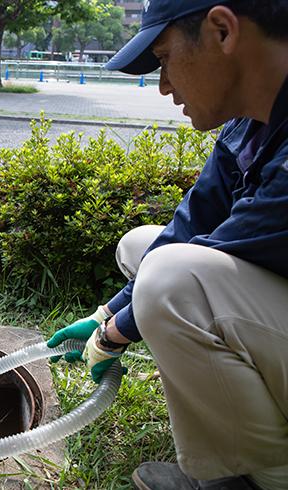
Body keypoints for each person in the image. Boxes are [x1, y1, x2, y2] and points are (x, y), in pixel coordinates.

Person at [45, 1, 288, 489]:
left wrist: (114, 334)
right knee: (145, 248)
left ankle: (267, 477)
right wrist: (104, 312)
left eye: (164, 59)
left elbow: (224, 247)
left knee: (170, 281)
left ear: (222, 30)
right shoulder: (251, 123)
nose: (163, 85)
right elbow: (195, 220)